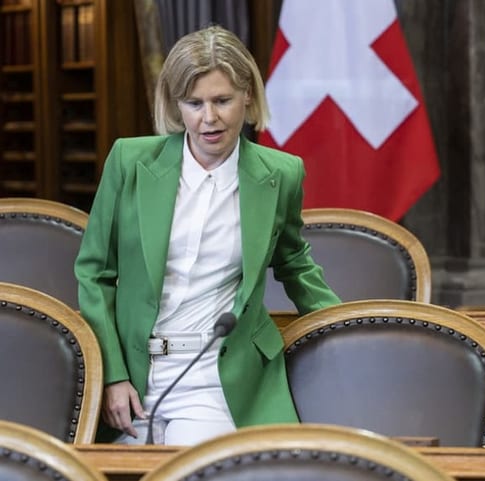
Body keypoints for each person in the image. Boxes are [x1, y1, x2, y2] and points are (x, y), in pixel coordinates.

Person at [74, 25, 341, 445]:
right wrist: (112, 374)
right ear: (176, 104)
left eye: (222, 101)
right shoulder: (129, 160)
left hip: (215, 377)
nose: (209, 118)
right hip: (133, 374)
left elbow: (293, 260)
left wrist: (345, 326)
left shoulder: (281, 173)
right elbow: (94, 272)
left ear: (247, 96)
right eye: (194, 103)